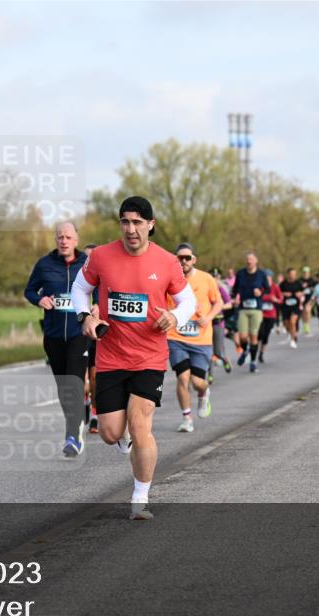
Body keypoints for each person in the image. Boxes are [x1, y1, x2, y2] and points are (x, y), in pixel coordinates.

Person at [71, 196, 196, 520]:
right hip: (111, 356)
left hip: (149, 357)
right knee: (112, 432)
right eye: (125, 221)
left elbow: (188, 301)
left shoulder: (167, 262)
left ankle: (140, 498)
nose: (131, 229)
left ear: (150, 225)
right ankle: (124, 442)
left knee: (140, 425)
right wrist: (85, 317)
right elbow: (79, 288)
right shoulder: (101, 256)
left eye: (138, 222)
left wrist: (174, 316)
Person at [24, 223, 90, 457]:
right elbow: (29, 290)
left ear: (76, 239)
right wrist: (39, 300)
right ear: (55, 240)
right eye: (60, 237)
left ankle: (72, 435)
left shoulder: (87, 263)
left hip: (78, 333)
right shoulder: (45, 264)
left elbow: (101, 289)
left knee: (73, 382)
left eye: (68, 237)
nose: (64, 241)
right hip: (52, 335)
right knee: (64, 388)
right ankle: (76, 422)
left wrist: (98, 308)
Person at [166, 243, 223, 433]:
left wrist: (208, 317)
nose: (183, 261)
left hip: (200, 340)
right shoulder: (169, 279)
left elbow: (219, 302)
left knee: (197, 382)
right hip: (176, 337)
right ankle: (186, 418)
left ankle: (204, 391)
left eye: (187, 258)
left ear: (193, 259)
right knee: (182, 378)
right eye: (179, 258)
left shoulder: (206, 279)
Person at [231, 252, 270, 373]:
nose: (249, 261)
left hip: (256, 309)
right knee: (242, 337)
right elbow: (235, 289)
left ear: (256, 261)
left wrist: (261, 292)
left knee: (253, 337)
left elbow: (267, 288)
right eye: (247, 259)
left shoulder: (261, 274)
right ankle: (246, 350)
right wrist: (235, 297)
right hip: (243, 308)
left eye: (251, 259)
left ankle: (253, 362)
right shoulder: (241, 273)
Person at [82, 244, 100, 434]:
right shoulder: (78, 279)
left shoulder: (101, 279)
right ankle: (85, 400)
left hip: (94, 332)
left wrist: (98, 306)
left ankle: (94, 414)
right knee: (82, 381)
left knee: (94, 378)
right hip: (77, 332)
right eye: (85, 257)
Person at [256, 271, 283, 363]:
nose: (267, 279)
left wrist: (275, 299)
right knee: (260, 334)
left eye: (268, 277)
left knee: (266, 336)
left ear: (271, 278)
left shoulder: (275, 287)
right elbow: (256, 297)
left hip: (271, 315)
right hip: (260, 314)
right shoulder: (261, 287)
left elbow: (280, 300)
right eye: (265, 278)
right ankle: (254, 350)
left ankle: (261, 354)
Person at [279, 268, 304, 349]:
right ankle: (292, 333)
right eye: (291, 274)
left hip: (295, 306)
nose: (293, 275)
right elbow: (278, 293)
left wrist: (300, 293)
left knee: (293, 322)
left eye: (294, 274)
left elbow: (303, 292)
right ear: (288, 274)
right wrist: (284, 293)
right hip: (285, 306)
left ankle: (293, 340)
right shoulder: (283, 284)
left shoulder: (298, 283)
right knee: (287, 323)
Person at [299, 266, 315, 336]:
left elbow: (315, 289)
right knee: (303, 312)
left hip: (310, 298)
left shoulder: (312, 280)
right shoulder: (300, 280)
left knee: (307, 310)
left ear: (309, 273)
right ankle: (305, 325)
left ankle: (308, 325)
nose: (306, 273)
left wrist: (310, 288)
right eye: (304, 272)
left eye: (307, 272)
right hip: (302, 299)